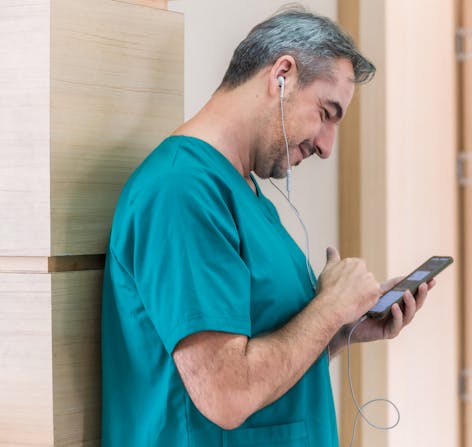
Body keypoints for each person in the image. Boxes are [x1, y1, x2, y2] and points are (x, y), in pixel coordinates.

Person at [101, 7, 435, 446]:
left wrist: (339, 330)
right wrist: (330, 305)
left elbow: (263, 364)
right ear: (282, 75)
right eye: (326, 112)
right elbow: (227, 394)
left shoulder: (246, 194)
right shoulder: (181, 190)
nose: (326, 145)